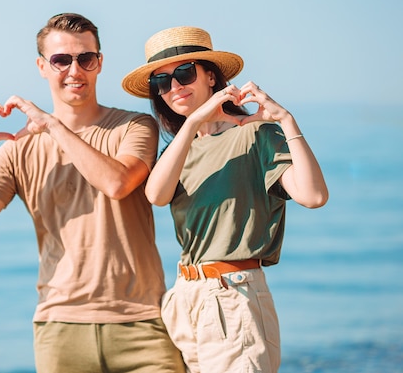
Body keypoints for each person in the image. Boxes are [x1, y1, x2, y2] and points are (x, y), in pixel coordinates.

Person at [0, 13, 185, 373]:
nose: (75, 70)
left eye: (86, 58)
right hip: (60, 328)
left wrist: (52, 125)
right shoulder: (17, 150)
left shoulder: (133, 125)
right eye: (61, 60)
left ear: (99, 62)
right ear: (42, 66)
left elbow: (117, 183)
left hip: (142, 323)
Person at [121, 26, 329, 373]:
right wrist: (193, 124)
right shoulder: (180, 149)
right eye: (161, 82)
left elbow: (314, 196)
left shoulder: (256, 134)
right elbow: (156, 195)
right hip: (185, 298)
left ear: (211, 77)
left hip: (234, 297)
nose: (174, 87)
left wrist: (286, 120)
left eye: (184, 73)